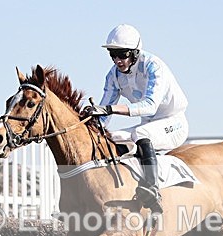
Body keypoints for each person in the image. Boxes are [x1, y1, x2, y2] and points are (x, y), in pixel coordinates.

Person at [81, 24, 189, 214]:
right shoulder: (113, 76)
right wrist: (89, 127)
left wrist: (109, 108)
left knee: (141, 132)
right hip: (148, 125)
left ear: (135, 53)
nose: (117, 60)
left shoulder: (154, 66)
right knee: (110, 137)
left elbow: (149, 106)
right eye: (112, 55)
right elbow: (103, 116)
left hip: (173, 122)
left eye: (122, 54)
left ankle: (153, 189)